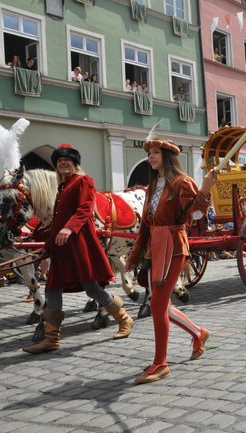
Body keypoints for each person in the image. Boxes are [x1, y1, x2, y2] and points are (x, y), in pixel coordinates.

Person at [23, 144, 134, 354]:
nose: (63, 163)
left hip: (79, 244)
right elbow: (56, 224)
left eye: (67, 160)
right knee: (52, 288)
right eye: (59, 161)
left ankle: (124, 319)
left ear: (75, 163)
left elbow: (85, 210)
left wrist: (69, 228)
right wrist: (47, 246)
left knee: (91, 288)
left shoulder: (84, 181)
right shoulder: (62, 187)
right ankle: (51, 339)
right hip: (62, 248)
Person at [126, 138, 214, 384]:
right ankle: (198, 334)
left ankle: (161, 363)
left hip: (174, 247)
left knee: (157, 304)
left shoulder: (182, 182)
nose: (151, 156)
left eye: (155, 152)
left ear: (167, 156)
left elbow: (194, 215)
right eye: (150, 153)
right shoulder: (153, 185)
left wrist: (205, 190)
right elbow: (146, 224)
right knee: (161, 305)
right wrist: (135, 256)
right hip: (154, 248)